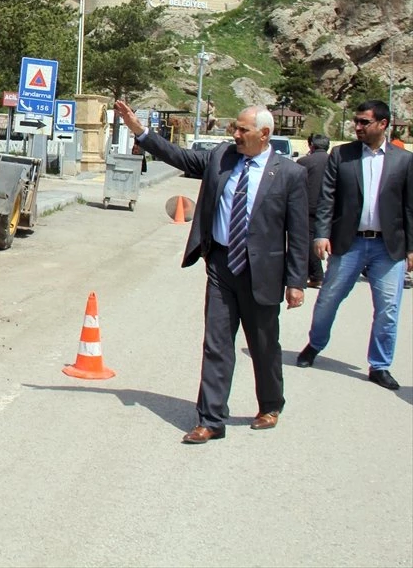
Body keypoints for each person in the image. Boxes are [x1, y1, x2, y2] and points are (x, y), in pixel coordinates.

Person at [113, 100, 307, 444]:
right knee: (216, 344)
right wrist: (139, 130)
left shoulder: (290, 174)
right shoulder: (222, 157)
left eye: (242, 130)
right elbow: (181, 157)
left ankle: (271, 404)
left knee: (263, 345)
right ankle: (211, 419)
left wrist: (296, 282)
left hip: (261, 271)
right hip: (221, 264)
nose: (234, 134)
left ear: (264, 134)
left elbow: (298, 231)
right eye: (234, 127)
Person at [296, 100, 413, 391]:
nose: (357, 127)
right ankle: (315, 344)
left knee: (388, 308)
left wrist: (411, 248)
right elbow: (327, 198)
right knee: (328, 300)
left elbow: (410, 207)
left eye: (364, 122)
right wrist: (321, 234)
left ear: (383, 124)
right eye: (356, 121)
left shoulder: (404, 160)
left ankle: (380, 365)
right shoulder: (341, 155)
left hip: (389, 247)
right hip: (350, 243)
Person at [297, 134, 332, 288]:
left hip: (309, 207)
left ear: (312, 146)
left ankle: (317, 276)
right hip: (331, 207)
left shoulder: (304, 162)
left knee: (308, 241)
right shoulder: (335, 161)